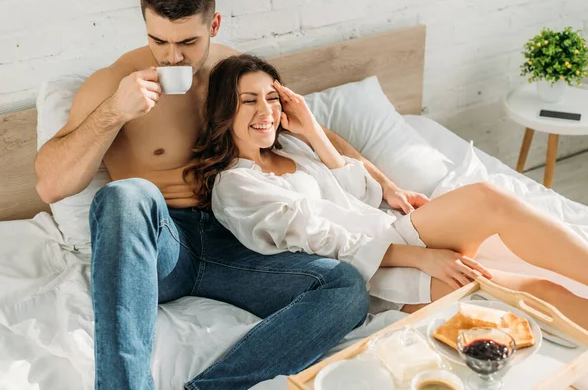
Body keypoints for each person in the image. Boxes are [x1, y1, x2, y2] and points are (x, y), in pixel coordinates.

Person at [34, 0, 412, 389]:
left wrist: (386, 183)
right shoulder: (115, 84)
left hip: (239, 240)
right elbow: (51, 184)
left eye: (187, 43)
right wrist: (115, 111)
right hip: (165, 247)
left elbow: (302, 125)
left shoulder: (236, 75)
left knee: (345, 285)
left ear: (213, 26)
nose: (172, 58)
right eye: (158, 41)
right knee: (126, 196)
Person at [189, 54, 588, 332]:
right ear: (226, 110)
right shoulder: (235, 185)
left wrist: (311, 131)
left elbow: (359, 193)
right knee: (535, 291)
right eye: (249, 101)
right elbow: (326, 243)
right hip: (372, 274)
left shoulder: (289, 146)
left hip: (390, 232)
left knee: (489, 196)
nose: (267, 111)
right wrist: (425, 258)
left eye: (272, 98)